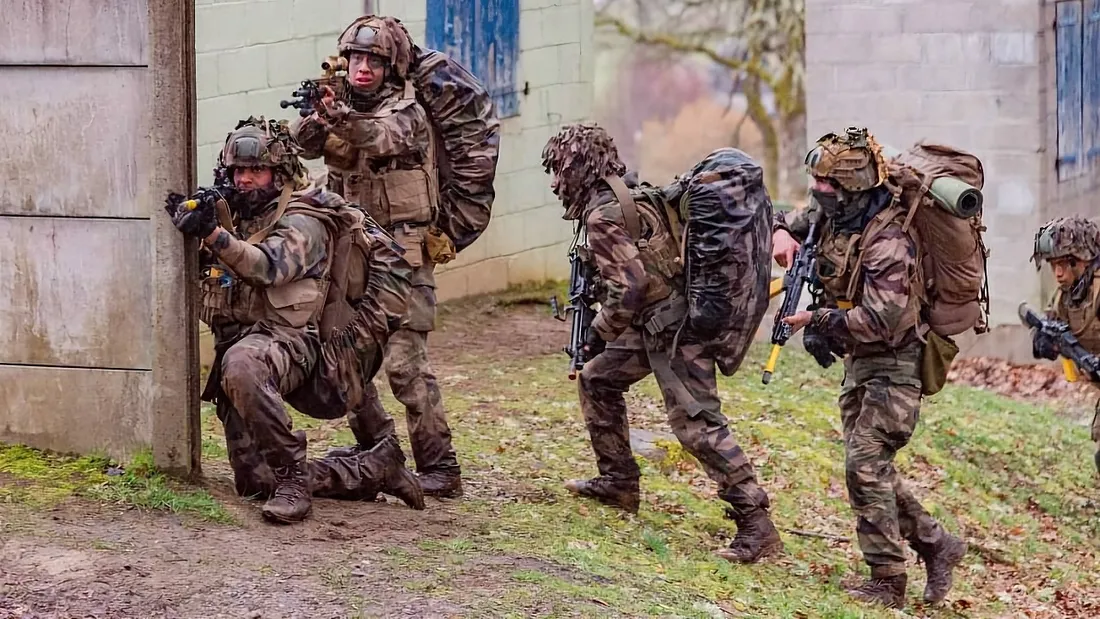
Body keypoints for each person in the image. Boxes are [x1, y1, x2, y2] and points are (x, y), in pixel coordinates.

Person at [540, 122, 783, 564]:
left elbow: (628, 288)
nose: (556, 181)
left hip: (672, 329)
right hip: (654, 318)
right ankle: (618, 481)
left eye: (559, 169)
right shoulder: (629, 194)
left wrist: (599, 331)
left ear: (580, 167)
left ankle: (756, 524)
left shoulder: (603, 217)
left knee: (697, 423)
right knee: (597, 379)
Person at [164, 116, 423, 523]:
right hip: (244, 339)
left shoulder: (306, 218)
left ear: (279, 172)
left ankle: (293, 480)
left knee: (242, 364)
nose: (245, 179)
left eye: (257, 170)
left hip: (295, 343)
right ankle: (374, 468)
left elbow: (268, 267)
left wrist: (213, 235)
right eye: (238, 171)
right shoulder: (233, 211)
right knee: (253, 481)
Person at [772, 127, 967, 608]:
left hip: (897, 363)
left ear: (854, 189)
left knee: (864, 464)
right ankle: (938, 544)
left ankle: (887, 580)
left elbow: (883, 319)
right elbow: (790, 220)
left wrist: (818, 320)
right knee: (870, 468)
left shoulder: (889, 243)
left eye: (828, 187)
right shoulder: (836, 212)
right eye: (817, 185)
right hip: (861, 362)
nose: (818, 194)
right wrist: (781, 234)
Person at [291, 15, 462, 498]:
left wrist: (341, 117)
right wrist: (315, 115)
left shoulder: (408, 109)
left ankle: (440, 466)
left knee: (406, 364)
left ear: (391, 65)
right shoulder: (339, 104)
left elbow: (381, 136)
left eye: (373, 60)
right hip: (353, 252)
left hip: (403, 250)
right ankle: (380, 449)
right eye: (355, 59)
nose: (362, 68)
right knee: (342, 355)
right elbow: (302, 147)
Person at [1029, 215, 1100, 474]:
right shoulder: (1067, 294)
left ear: (1083, 259)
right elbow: (1047, 325)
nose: (1058, 274)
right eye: (1053, 265)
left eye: (1064, 265)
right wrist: (1044, 342)